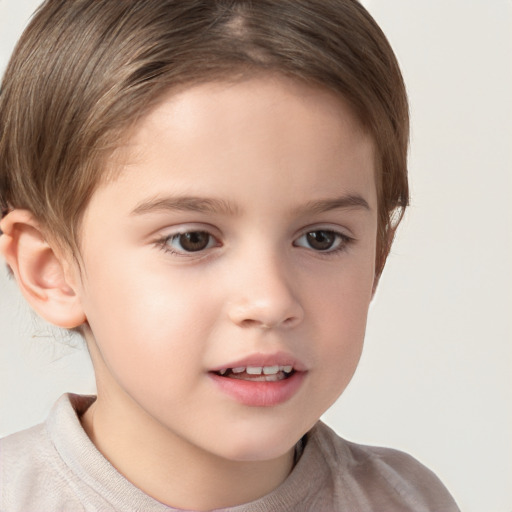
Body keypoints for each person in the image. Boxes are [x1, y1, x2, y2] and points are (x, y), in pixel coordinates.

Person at [0, 1, 460, 510]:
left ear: (378, 256)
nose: (269, 301)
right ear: (53, 271)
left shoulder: (408, 501)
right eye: (192, 239)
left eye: (321, 238)